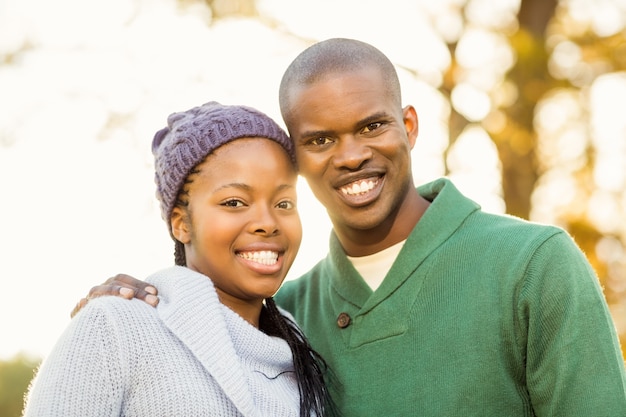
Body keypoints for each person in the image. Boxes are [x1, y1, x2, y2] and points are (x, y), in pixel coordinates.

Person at [74, 38, 626, 416]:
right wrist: (121, 300)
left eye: (372, 125)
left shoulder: (533, 265)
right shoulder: (283, 316)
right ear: (297, 157)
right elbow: (179, 334)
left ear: (408, 125)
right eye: (320, 140)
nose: (352, 155)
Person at [23, 102, 331, 417]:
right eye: (235, 202)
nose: (268, 222)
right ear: (181, 224)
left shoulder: (304, 357)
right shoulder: (117, 327)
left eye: (284, 203)